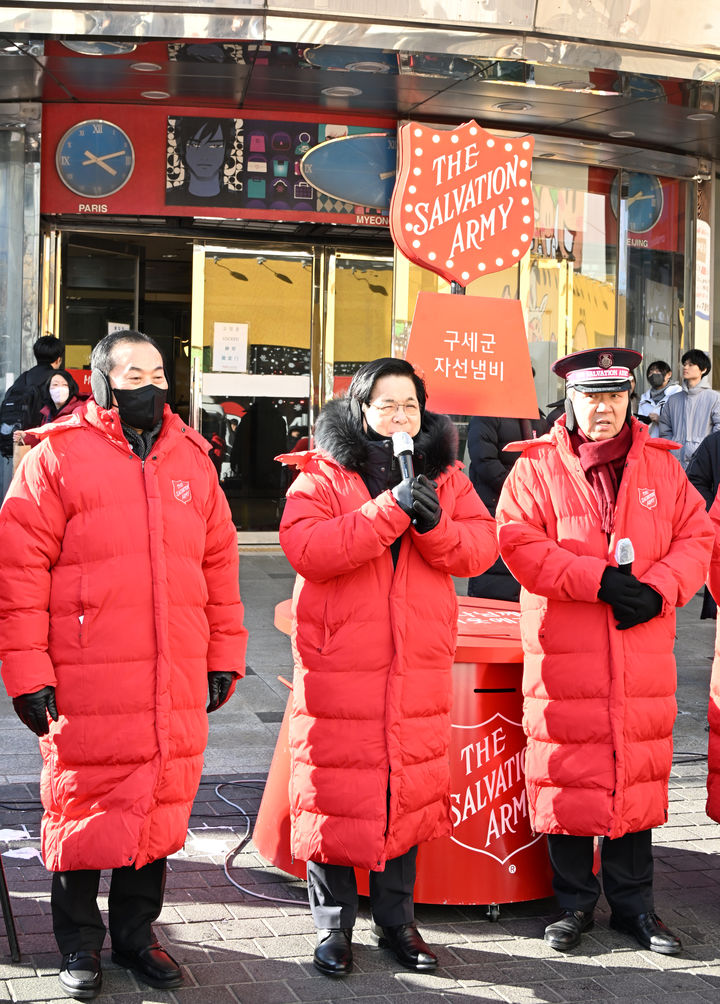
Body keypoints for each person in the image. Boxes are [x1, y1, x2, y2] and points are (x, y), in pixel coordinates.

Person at [0, 329, 248, 1000]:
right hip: (87, 673)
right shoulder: (57, 457)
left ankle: (139, 938)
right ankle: (78, 943)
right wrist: (27, 673)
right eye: (132, 371)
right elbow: (18, 574)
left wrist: (224, 653)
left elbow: (220, 565)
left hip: (172, 672)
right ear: (102, 380)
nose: (147, 382)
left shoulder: (192, 460)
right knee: (85, 807)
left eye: (158, 371)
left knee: (157, 807)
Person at [278, 357, 498, 977]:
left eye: (410, 405)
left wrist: (434, 525)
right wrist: (389, 511)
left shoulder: (447, 473)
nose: (400, 417)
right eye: (386, 404)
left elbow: (482, 546)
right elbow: (308, 549)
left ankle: (398, 922)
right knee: (334, 788)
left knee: (405, 786)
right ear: (361, 409)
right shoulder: (321, 471)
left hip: (417, 661)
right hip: (342, 662)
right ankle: (332, 927)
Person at [496, 347, 713, 957]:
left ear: (629, 399)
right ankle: (571, 906)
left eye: (615, 396)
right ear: (571, 398)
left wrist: (661, 589)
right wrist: (594, 580)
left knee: (634, 774)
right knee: (570, 770)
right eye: (593, 396)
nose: (605, 408)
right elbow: (515, 541)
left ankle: (636, 908)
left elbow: (698, 535)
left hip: (639, 647)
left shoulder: (663, 467)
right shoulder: (536, 467)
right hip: (567, 649)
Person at [466, 409, 548, 601]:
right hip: (495, 506)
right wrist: (517, 489)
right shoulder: (487, 414)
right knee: (492, 581)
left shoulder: (538, 418)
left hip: (529, 510)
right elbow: (484, 460)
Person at [658, 349, 720, 469]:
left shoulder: (714, 398)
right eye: (684, 364)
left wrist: (706, 449)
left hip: (703, 464)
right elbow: (665, 427)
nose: (685, 367)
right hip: (675, 463)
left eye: (691, 365)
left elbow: (718, 429)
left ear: (703, 369)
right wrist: (672, 447)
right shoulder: (674, 399)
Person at [13, 369, 82, 448]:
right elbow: (43, 440)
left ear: (71, 388)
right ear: (48, 388)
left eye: (64, 385)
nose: (59, 389)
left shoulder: (77, 412)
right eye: (55, 385)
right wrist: (26, 436)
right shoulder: (47, 413)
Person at [637, 360, 680, 437]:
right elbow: (640, 424)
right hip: (650, 443)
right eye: (651, 372)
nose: (653, 374)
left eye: (658, 371)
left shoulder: (677, 394)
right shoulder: (644, 397)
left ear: (669, 374)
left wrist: (661, 420)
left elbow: (681, 423)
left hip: (670, 442)